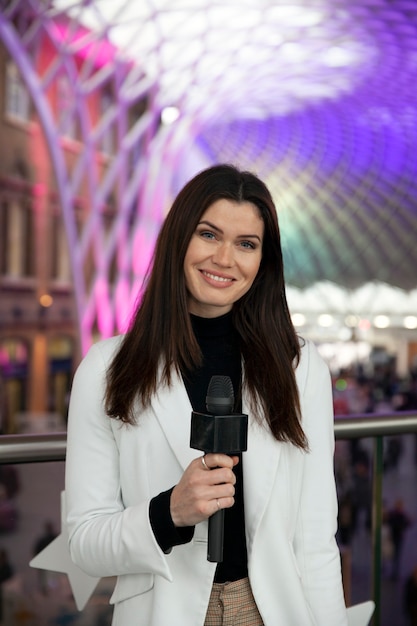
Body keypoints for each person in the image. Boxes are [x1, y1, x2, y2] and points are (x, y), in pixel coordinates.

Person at [65, 164, 348, 626]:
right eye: (209, 234)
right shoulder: (106, 370)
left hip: (271, 611)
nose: (225, 258)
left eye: (246, 244)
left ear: (263, 261)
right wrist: (168, 512)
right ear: (179, 238)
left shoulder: (299, 368)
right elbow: (84, 541)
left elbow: (316, 537)